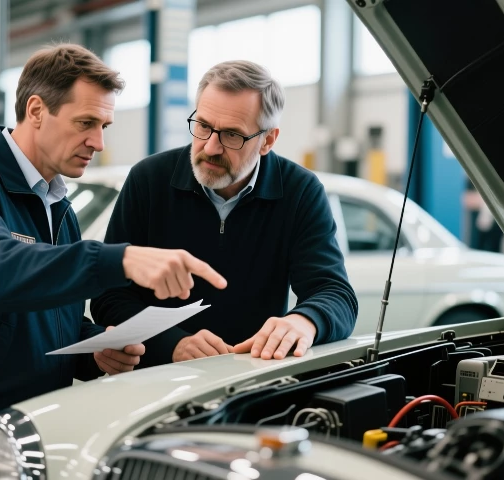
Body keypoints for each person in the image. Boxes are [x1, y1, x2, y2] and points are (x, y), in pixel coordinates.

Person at [0, 43, 226, 478]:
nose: (99, 141)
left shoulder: (59, 208)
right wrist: (122, 259)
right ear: (36, 110)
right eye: (86, 123)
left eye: (105, 124)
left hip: (36, 423)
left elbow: (50, 320)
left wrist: (94, 352)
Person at [91, 60, 358, 368]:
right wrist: (172, 344)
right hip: (159, 378)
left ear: (267, 140)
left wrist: (305, 321)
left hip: (251, 379)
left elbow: (335, 293)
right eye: (203, 126)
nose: (211, 147)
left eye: (232, 135)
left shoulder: (299, 191)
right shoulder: (149, 180)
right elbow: (108, 296)